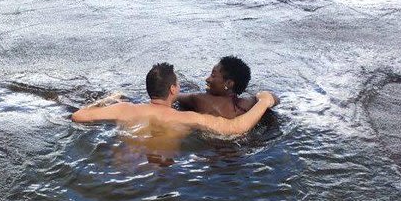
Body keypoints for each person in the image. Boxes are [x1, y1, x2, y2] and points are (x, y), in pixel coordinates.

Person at [71, 62, 277, 138]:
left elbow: (78, 116)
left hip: (120, 167)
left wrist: (107, 99)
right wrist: (264, 101)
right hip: (159, 175)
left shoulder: (123, 108)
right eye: (178, 84)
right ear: (172, 89)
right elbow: (236, 128)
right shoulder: (186, 118)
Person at [177, 56, 275, 119]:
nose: (207, 79)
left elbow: (173, 95)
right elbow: (274, 98)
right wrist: (263, 97)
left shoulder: (200, 99)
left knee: (189, 85)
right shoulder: (248, 104)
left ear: (228, 83)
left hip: (210, 148)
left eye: (213, 75)